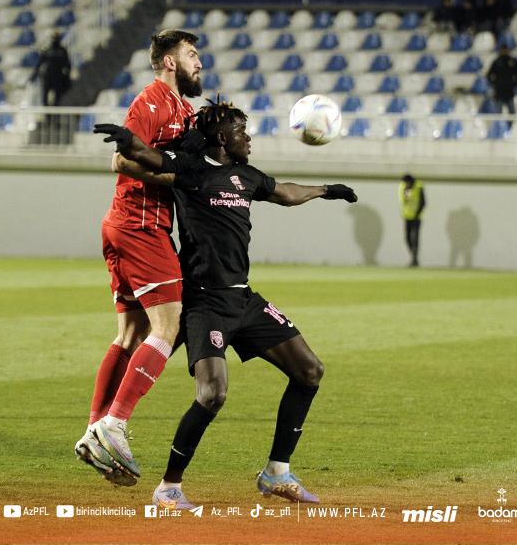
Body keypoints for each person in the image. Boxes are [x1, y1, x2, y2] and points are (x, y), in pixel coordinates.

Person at [93, 100, 358, 509]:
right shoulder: (190, 170)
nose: (248, 138)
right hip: (203, 302)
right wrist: (129, 140)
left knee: (310, 371)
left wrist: (325, 190)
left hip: (243, 299)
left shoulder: (247, 176)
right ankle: (169, 486)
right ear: (221, 137)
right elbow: (149, 158)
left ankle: (277, 472)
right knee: (212, 393)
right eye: (241, 131)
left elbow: (285, 193)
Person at [73, 29, 203, 487]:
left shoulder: (183, 110)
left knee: (131, 333)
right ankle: (115, 424)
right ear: (169, 62)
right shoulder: (150, 102)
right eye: (192, 54)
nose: (199, 63)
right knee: (167, 327)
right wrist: (176, 178)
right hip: (139, 225)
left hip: (128, 224)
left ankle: (94, 430)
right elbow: (120, 163)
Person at [30, 31, 72, 107]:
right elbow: (39, 64)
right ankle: (46, 111)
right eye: (54, 38)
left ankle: (55, 110)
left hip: (58, 77)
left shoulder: (62, 51)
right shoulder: (47, 50)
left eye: (56, 38)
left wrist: (67, 77)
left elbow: (67, 65)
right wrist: (34, 76)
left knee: (58, 97)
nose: (55, 40)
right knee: (45, 96)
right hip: (48, 76)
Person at [399, 174, 426, 268]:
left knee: (415, 238)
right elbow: (402, 201)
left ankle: (414, 259)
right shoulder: (402, 187)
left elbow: (423, 202)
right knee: (407, 238)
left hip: (416, 217)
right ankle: (413, 257)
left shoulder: (419, 186)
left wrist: (417, 214)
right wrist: (405, 192)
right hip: (406, 217)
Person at [487, 44, 517, 114]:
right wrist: (494, 84)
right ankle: (499, 121)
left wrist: (514, 84)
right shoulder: (497, 62)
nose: (504, 51)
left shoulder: (512, 61)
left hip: (509, 90)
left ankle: (511, 121)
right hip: (499, 90)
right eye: (503, 50)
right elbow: (489, 75)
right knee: (498, 111)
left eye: (506, 50)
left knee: (512, 111)